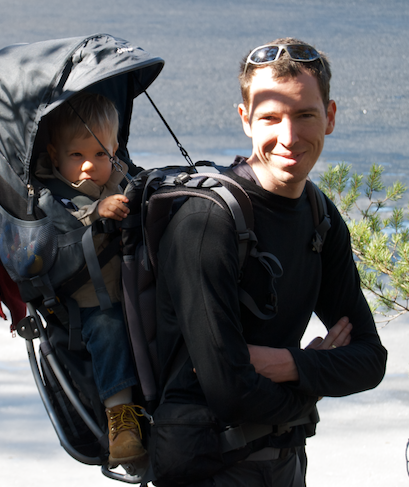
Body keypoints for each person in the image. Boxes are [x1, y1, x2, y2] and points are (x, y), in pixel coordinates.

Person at [152, 39, 387, 486]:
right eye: (270, 118)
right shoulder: (208, 222)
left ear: (330, 117)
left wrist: (286, 364)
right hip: (207, 468)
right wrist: (312, 386)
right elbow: (229, 392)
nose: (289, 137)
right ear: (245, 119)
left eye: (304, 115)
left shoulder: (320, 217)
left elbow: (370, 359)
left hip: (283, 464)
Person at [35, 91, 146, 468]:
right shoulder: (54, 197)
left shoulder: (122, 179)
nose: (89, 166)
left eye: (101, 155)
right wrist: (96, 211)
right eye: (77, 156)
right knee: (110, 330)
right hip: (88, 305)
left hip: (135, 290)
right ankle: (121, 423)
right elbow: (59, 232)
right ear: (55, 156)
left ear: (116, 150)